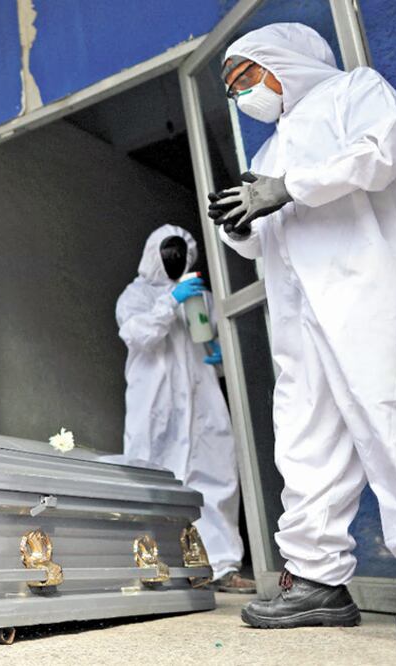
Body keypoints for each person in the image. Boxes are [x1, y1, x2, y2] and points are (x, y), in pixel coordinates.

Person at [208, 23, 396, 638]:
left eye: (248, 76)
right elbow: (271, 237)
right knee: (306, 440)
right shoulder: (268, 150)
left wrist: (289, 188)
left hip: (373, 297)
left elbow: (389, 148)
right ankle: (316, 579)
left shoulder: (355, 90)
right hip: (302, 319)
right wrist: (240, 221)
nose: (244, 96)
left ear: (285, 61)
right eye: (233, 90)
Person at [110, 224, 253, 594]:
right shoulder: (134, 295)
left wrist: (223, 358)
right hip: (157, 407)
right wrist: (171, 300)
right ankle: (154, 565)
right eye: (167, 253)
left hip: (202, 404)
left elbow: (212, 342)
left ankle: (222, 567)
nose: (174, 260)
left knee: (215, 479)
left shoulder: (201, 298)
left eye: (179, 254)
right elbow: (138, 334)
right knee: (153, 481)